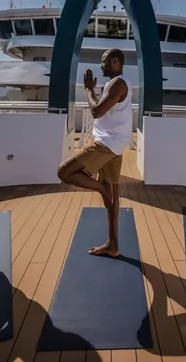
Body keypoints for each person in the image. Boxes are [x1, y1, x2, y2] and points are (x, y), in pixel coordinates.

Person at [57, 49, 132, 257]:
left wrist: (88, 90)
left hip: (106, 144)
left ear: (115, 62)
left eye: (104, 61)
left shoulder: (117, 83)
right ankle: (113, 245)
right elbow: (105, 108)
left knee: (64, 172)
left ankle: (101, 189)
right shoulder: (117, 84)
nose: (101, 65)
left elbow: (96, 111)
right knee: (113, 195)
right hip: (115, 144)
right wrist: (95, 93)